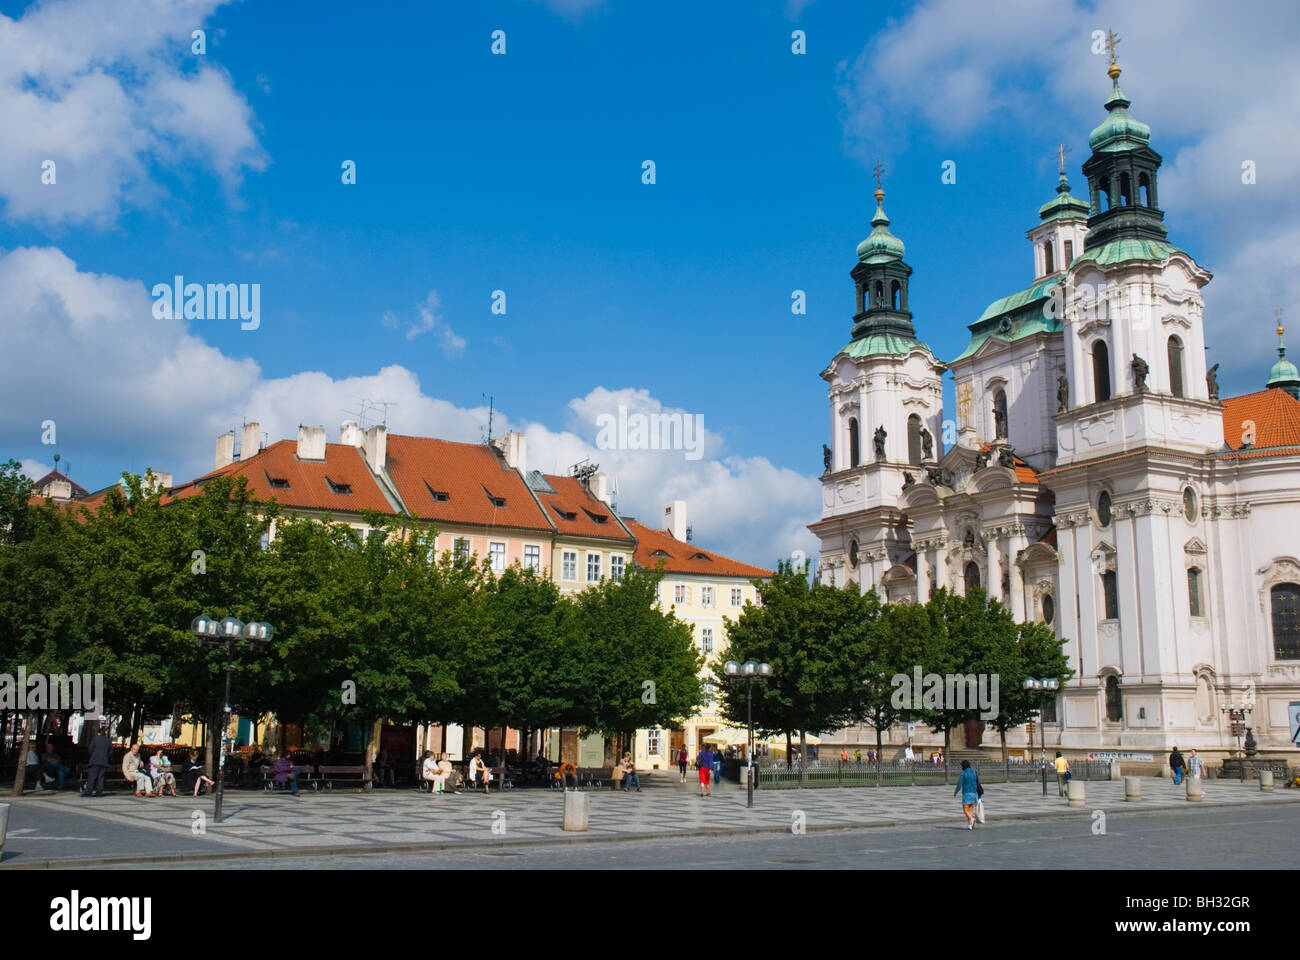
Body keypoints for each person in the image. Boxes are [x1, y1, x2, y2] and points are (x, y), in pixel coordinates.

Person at [86, 725, 112, 797]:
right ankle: (99, 791)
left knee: (92, 776)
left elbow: (90, 749)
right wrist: (106, 756)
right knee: (101, 777)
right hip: (104, 761)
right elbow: (110, 751)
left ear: (99, 733)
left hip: (95, 760)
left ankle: (89, 791)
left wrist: (93, 755)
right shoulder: (108, 740)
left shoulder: (95, 739)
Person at [954, 759, 980, 829]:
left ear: (963, 766)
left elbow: (959, 784)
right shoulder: (974, 772)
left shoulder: (963, 773)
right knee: (970, 809)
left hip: (966, 793)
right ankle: (970, 825)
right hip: (974, 793)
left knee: (965, 810)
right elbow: (977, 782)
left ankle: (972, 819)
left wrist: (955, 792)